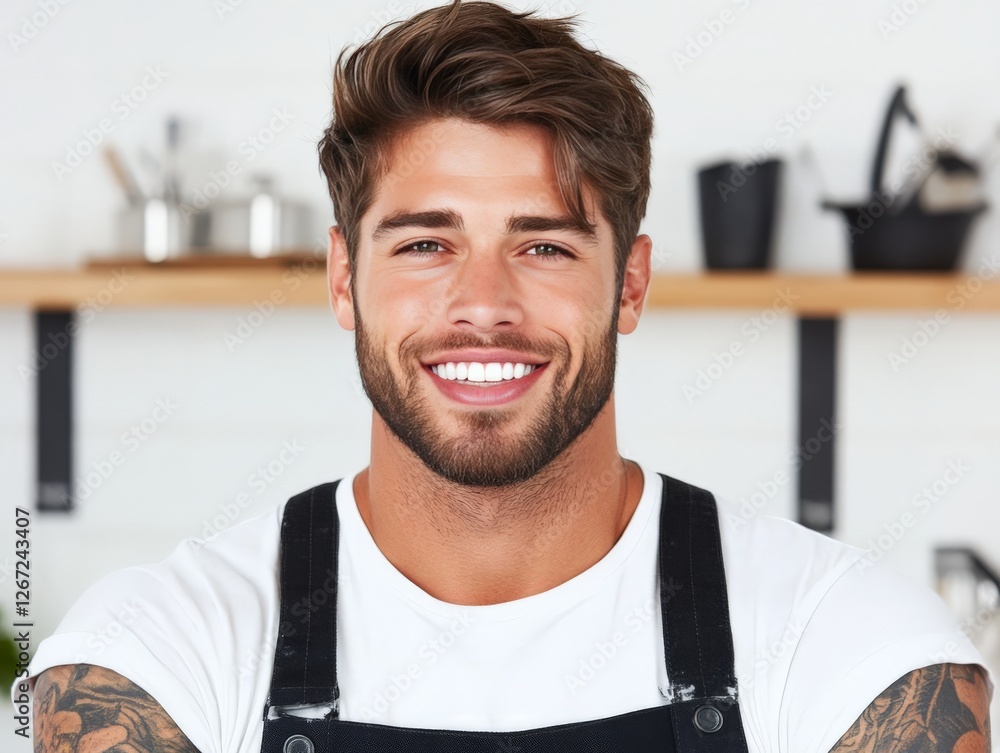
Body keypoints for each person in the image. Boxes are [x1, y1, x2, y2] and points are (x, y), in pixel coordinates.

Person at [18, 1, 995, 752]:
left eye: (543, 248)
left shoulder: (853, 653)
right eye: (425, 245)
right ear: (342, 279)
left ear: (631, 284)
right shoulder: (160, 653)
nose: (482, 303)